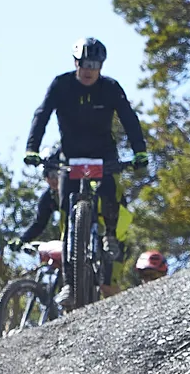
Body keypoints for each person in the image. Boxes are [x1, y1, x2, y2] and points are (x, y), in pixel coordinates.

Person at [24, 37, 148, 269]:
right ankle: (71, 282)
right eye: (85, 64)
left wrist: (140, 151)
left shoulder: (110, 87)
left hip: (103, 153)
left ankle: (109, 234)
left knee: (109, 190)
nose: (89, 71)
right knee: (65, 211)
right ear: (75, 62)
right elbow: (42, 114)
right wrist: (32, 148)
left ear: (101, 66)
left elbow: (129, 119)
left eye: (95, 65)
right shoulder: (61, 84)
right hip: (70, 154)